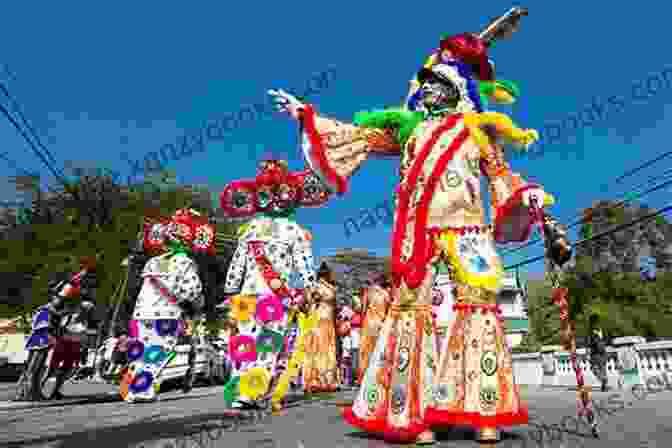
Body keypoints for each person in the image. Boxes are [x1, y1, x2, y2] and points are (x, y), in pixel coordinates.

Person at [268, 26, 548, 445]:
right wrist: (307, 115)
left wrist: (528, 198)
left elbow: (500, 176)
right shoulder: (409, 131)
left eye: (435, 83)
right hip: (416, 232)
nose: (425, 89)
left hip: (467, 228)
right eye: (426, 83)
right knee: (410, 312)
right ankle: (412, 413)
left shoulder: (478, 130)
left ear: (455, 90)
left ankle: (482, 409)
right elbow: (355, 138)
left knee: (480, 306)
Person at [220, 159, 331, 410]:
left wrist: (230, 290)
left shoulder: (250, 229)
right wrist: (310, 288)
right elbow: (304, 264)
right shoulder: (294, 230)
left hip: (246, 296)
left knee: (244, 342)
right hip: (274, 296)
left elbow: (236, 265)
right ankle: (250, 391)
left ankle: (240, 388)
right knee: (266, 343)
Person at [121, 209, 212, 403]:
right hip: (166, 314)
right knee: (159, 352)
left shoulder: (152, 262)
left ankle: (133, 389)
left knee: (141, 351)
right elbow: (192, 290)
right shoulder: (184, 261)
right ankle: (143, 390)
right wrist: (192, 305)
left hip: (141, 314)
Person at [43, 256, 98, 399]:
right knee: (54, 366)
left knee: (66, 367)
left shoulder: (86, 299)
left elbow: (90, 319)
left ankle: (55, 390)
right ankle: (41, 386)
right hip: (65, 335)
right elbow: (55, 307)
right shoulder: (68, 292)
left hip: (76, 336)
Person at [302, 263, 339, 393]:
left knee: (320, 349)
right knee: (322, 349)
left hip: (325, 321)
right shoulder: (319, 287)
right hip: (319, 320)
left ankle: (321, 380)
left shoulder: (328, 287)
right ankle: (319, 381)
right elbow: (307, 301)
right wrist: (313, 298)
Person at [357, 276, 390, 384]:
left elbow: (362, 308)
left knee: (366, 351)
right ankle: (378, 376)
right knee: (379, 350)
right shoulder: (386, 294)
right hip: (381, 324)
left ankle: (364, 376)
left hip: (368, 324)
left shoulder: (369, 292)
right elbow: (389, 311)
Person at [588, 314, 608, 392]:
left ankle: (603, 380)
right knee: (602, 368)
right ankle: (604, 385)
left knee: (593, 368)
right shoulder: (601, 328)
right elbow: (605, 339)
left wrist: (588, 350)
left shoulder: (592, 329)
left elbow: (590, 341)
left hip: (595, 353)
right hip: (603, 351)